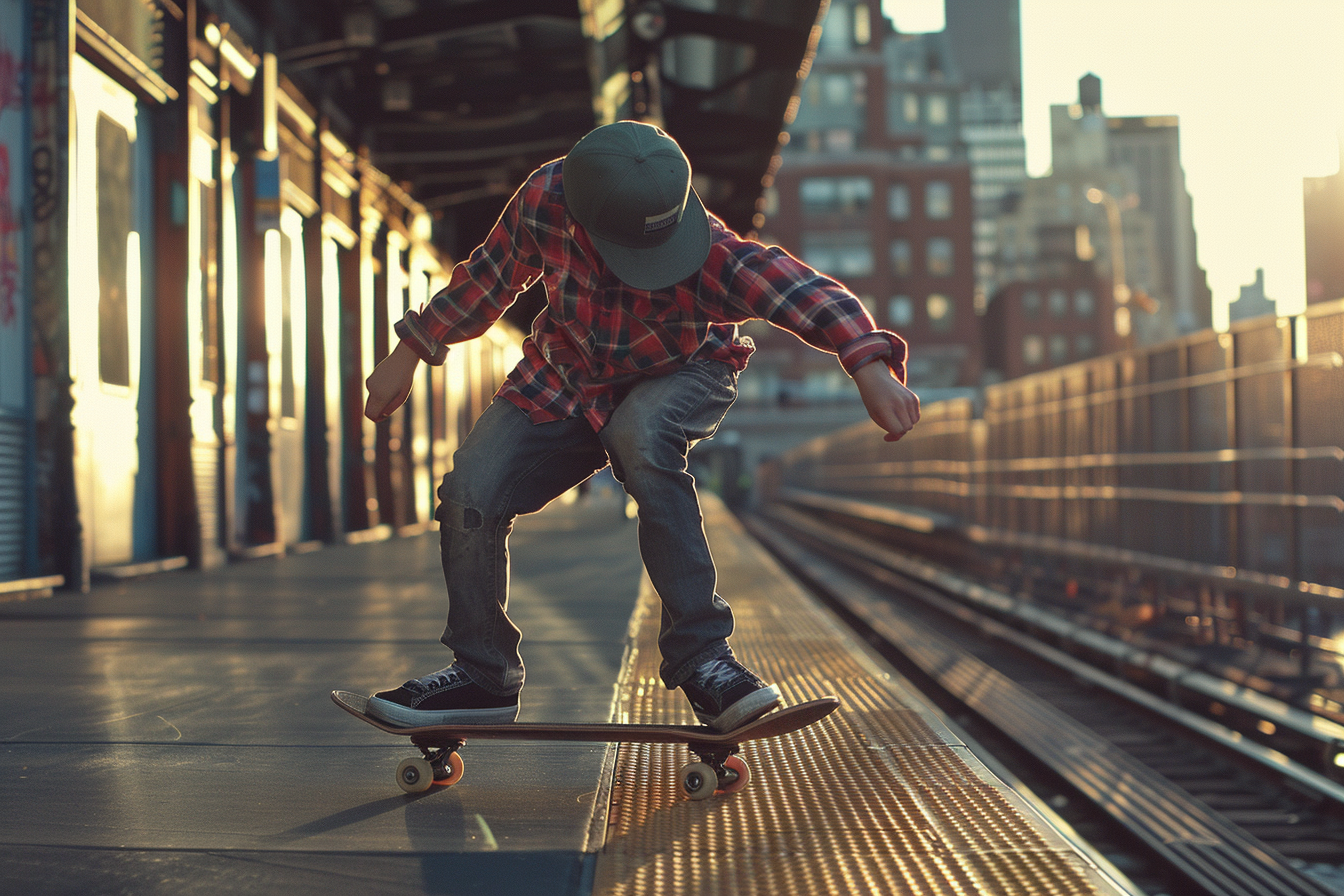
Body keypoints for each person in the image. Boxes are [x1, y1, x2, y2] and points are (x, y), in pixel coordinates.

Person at [362, 121, 920, 731]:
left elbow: (799, 287)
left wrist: (869, 365)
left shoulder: (709, 253)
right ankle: (481, 675)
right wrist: (411, 349)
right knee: (470, 488)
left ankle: (705, 659)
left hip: (685, 370)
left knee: (642, 436)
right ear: (586, 225)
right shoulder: (547, 198)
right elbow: (489, 278)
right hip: (567, 374)